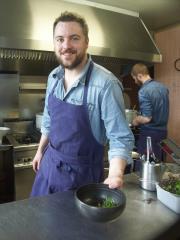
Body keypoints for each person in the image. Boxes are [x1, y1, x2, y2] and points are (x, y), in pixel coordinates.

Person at [31, 11, 134, 197]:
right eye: (60, 39)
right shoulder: (53, 77)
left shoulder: (105, 84)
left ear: (86, 42)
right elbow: (48, 121)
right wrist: (40, 151)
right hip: (48, 167)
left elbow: (120, 137)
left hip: (81, 180)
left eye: (74, 38)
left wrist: (115, 174)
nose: (66, 45)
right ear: (54, 43)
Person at [131, 63, 169, 162]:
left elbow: (147, 118)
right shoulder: (163, 88)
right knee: (159, 165)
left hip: (150, 135)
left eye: (134, 78)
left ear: (139, 76)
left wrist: (136, 120)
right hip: (163, 133)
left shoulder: (143, 91)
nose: (135, 82)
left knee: (146, 167)